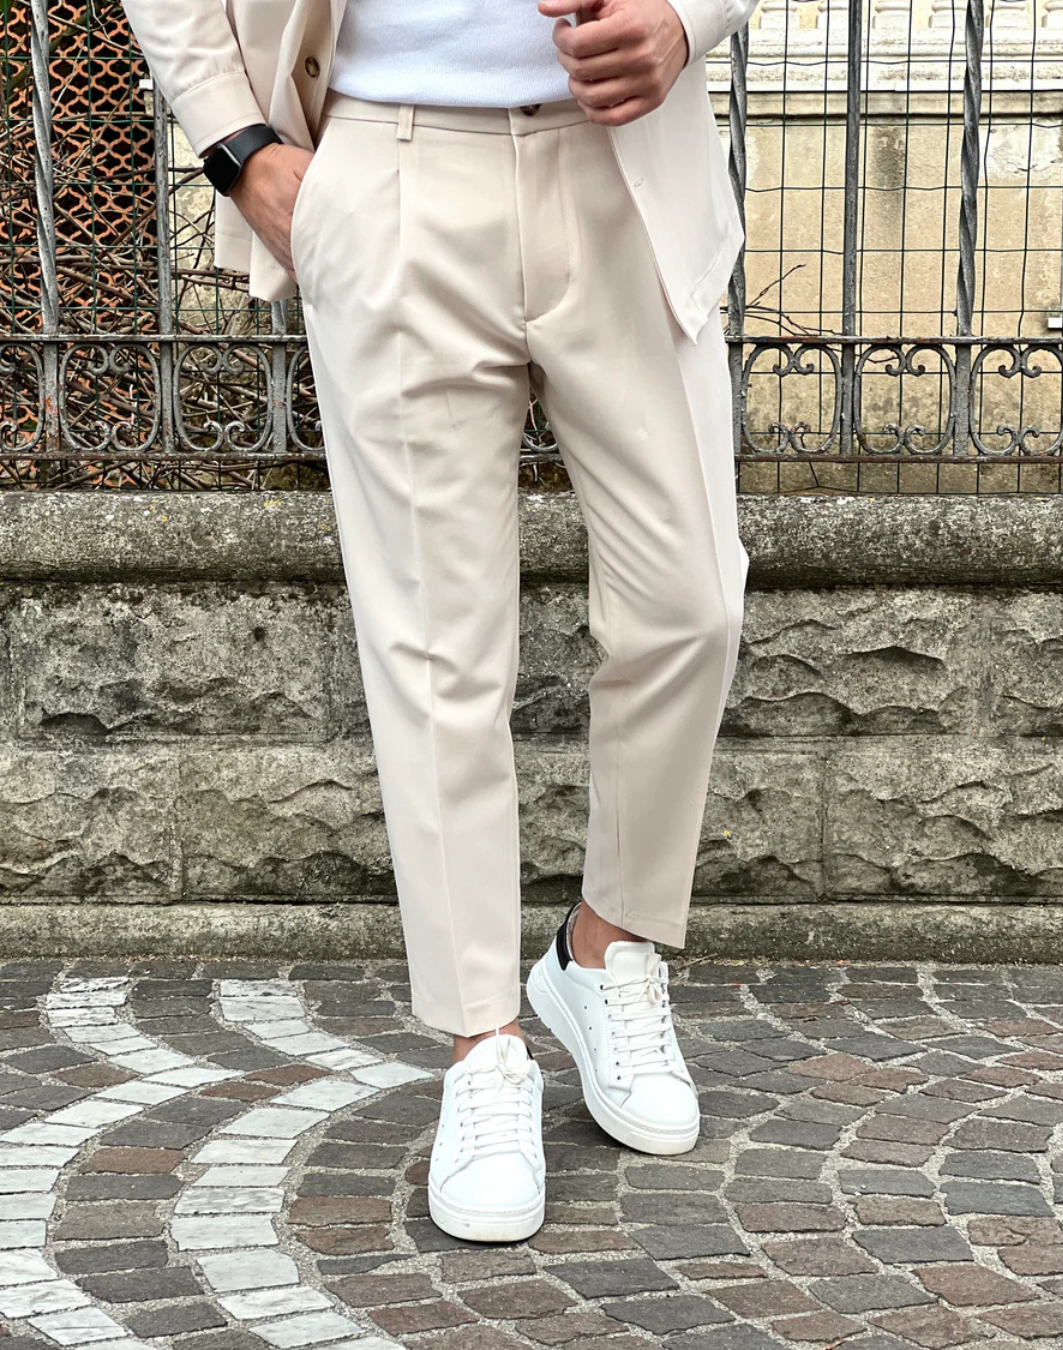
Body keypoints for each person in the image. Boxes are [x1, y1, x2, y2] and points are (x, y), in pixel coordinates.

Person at [120, 0, 758, 1243]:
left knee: (691, 602)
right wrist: (237, 145)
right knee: (433, 646)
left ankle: (601, 950)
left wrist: (689, 16)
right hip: (390, 164)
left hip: (626, 161)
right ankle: (483, 1042)